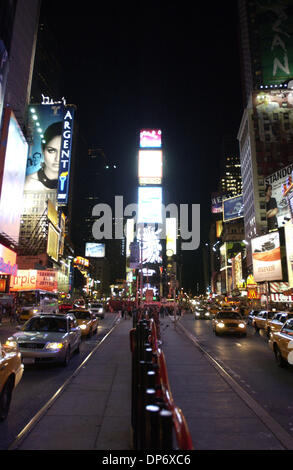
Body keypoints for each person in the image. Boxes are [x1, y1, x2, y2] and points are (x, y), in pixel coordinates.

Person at [24, 121, 63, 191]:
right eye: (51, 151)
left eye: (63, 152)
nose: (57, 159)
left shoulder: (72, 187)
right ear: (43, 150)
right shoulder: (27, 184)